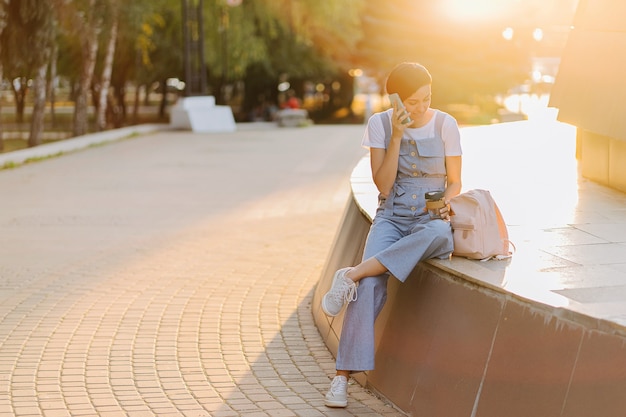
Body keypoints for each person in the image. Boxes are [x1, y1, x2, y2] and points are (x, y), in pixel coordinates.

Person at [320, 62, 463, 408]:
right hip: (392, 217)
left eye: (426, 98)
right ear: (395, 100)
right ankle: (341, 379)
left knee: (437, 233)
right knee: (369, 287)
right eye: (412, 102)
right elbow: (383, 184)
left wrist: (447, 203)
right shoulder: (380, 125)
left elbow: (456, 181)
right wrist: (398, 135)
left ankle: (351, 273)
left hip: (431, 220)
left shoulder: (446, 124)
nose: (421, 107)